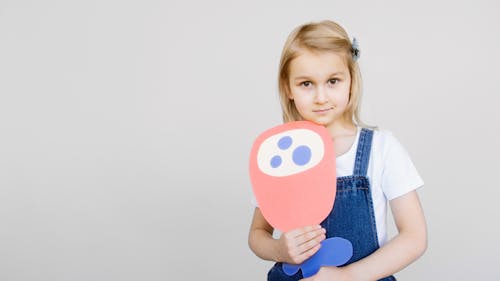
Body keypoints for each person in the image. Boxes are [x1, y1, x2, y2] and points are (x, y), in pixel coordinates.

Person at [248, 20, 427, 281]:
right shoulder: (278, 156)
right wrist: (279, 249)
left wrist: (349, 276)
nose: (321, 97)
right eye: (306, 84)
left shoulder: (381, 148)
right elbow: (257, 235)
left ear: (351, 81)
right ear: (288, 87)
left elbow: (415, 237)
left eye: (333, 81)